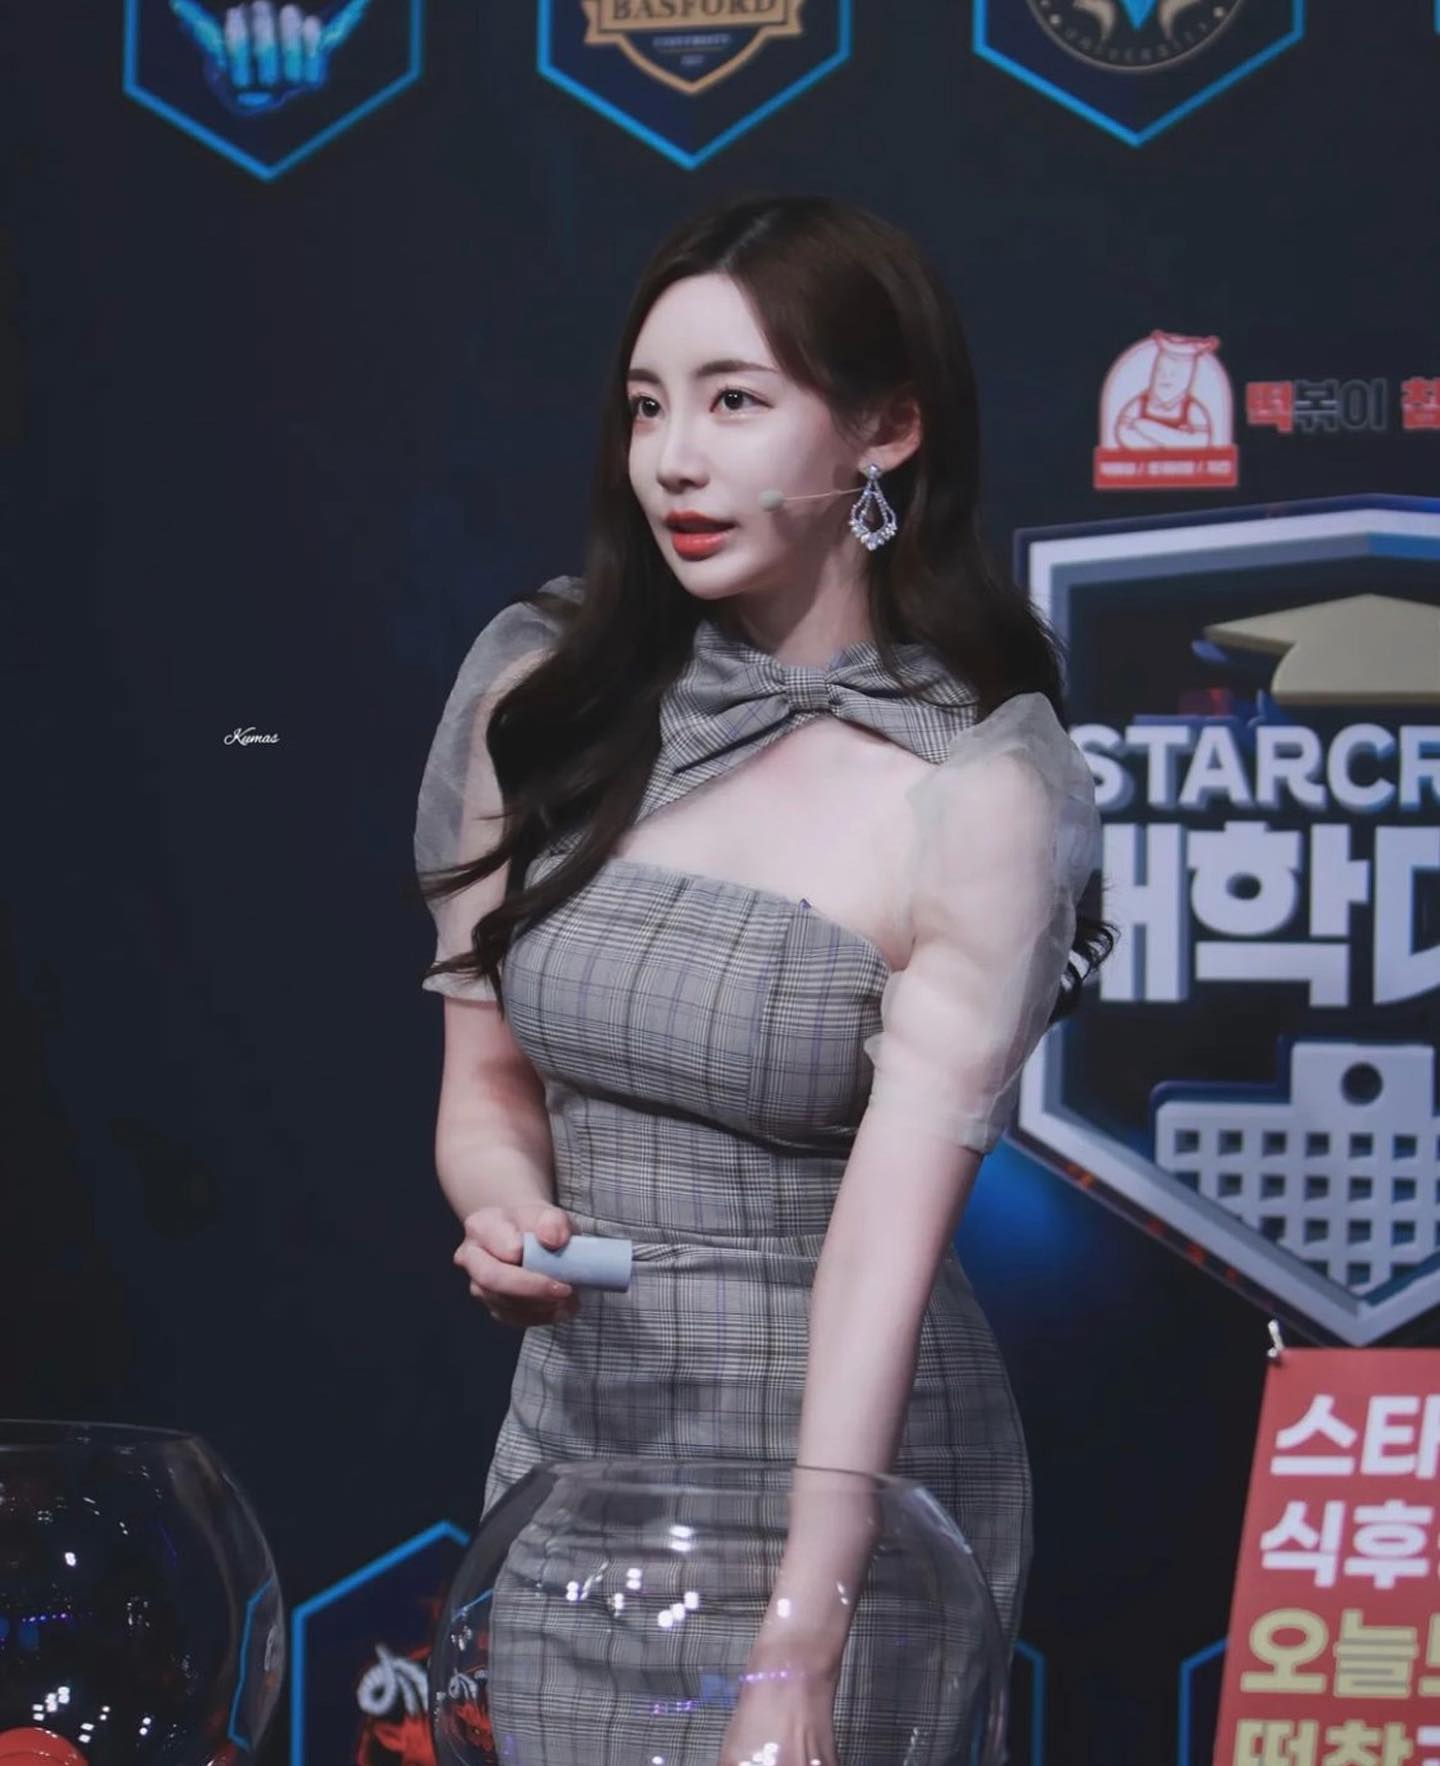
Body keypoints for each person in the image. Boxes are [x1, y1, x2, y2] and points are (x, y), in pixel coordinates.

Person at [415, 192, 1110, 1766]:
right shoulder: (543, 693)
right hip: (579, 1456)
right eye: (648, 406)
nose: (675, 458)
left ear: (886, 429)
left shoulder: (981, 791)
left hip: (853, 1489)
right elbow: (485, 1088)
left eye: (735, 401)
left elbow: (881, 1258)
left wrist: (799, 1648)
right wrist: (506, 1208)